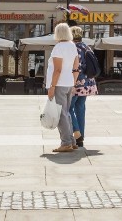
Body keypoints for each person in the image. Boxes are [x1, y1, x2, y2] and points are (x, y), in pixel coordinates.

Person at [46, 22, 79, 153]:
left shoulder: (59, 47)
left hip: (59, 84)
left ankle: (66, 143)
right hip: (68, 83)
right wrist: (73, 83)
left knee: (60, 114)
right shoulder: (73, 46)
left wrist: (52, 87)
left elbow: (57, 70)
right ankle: (71, 141)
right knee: (66, 113)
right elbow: (76, 67)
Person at [69, 26, 98, 148]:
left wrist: (72, 83)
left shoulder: (73, 48)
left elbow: (76, 67)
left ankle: (77, 134)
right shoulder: (87, 47)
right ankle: (81, 137)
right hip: (88, 82)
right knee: (80, 108)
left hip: (77, 82)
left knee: (68, 108)